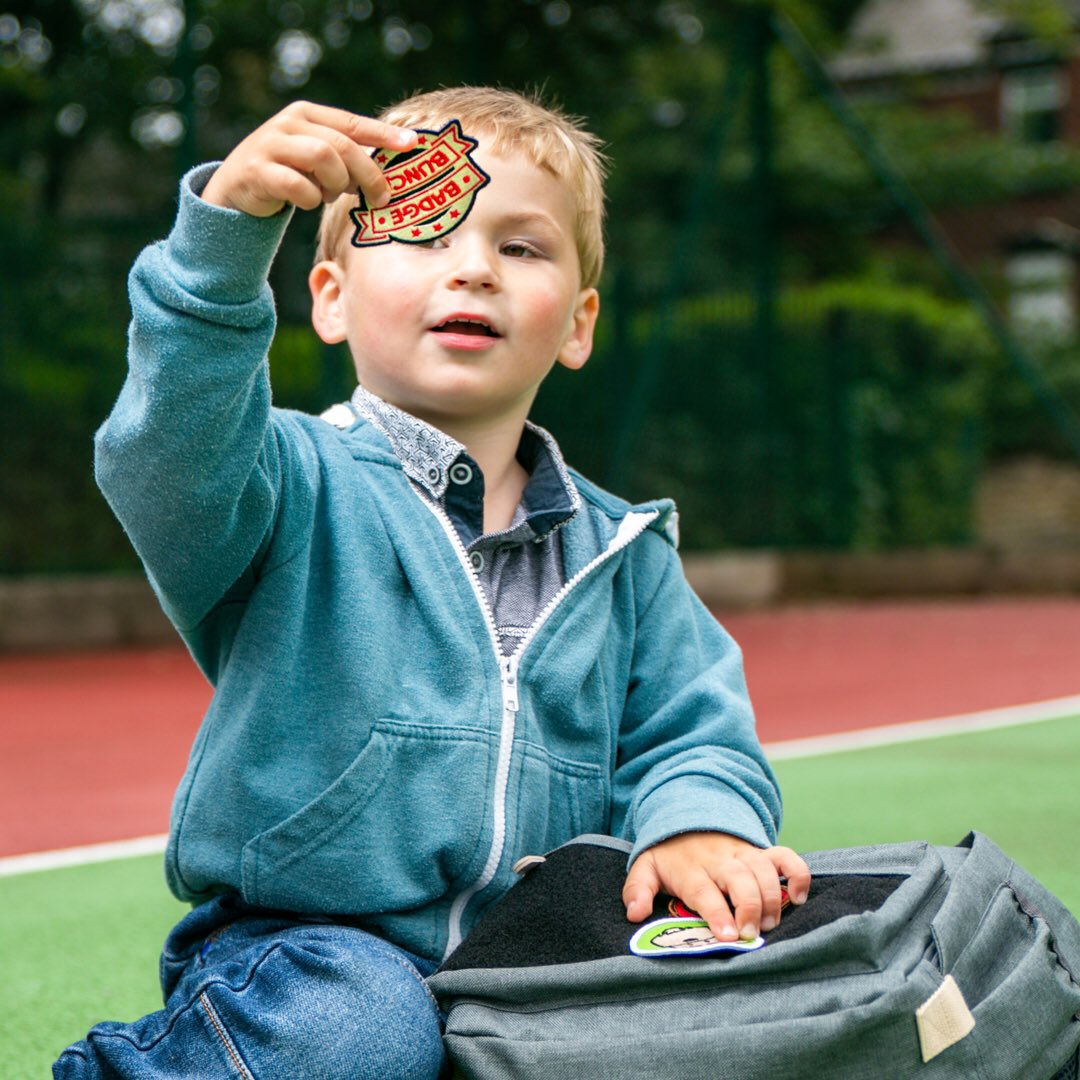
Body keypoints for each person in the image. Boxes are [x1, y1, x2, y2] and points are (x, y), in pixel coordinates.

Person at [55, 87, 811, 1079]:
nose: (472, 268)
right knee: (361, 1036)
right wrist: (225, 244)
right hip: (311, 958)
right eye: (424, 230)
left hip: (542, 967)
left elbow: (694, 731)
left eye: (522, 248)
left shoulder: (626, 552)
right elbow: (163, 450)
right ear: (327, 294)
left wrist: (700, 823)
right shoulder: (284, 482)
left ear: (578, 324)